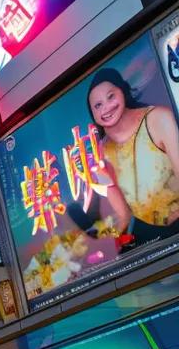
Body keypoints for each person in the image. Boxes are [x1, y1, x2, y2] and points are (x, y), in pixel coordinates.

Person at [75, 67, 179, 244]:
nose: (106, 108)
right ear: (93, 114)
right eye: (98, 105)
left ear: (122, 92)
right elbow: (123, 214)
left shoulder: (158, 119)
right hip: (150, 237)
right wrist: (100, 245)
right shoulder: (100, 152)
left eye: (111, 96)